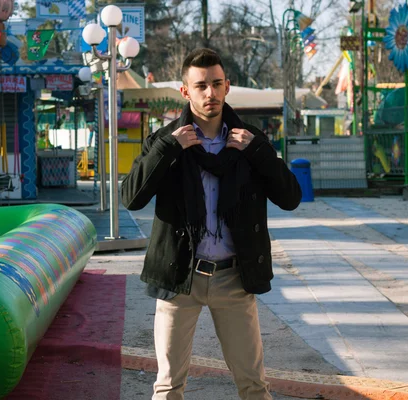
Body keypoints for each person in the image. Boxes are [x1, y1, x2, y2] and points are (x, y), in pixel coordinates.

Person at [121, 48, 302, 400]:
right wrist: (168, 150)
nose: (210, 93)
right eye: (201, 85)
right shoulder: (165, 140)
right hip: (179, 277)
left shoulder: (249, 141)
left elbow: (291, 197)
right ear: (185, 92)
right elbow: (131, 198)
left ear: (227, 86)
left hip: (233, 278)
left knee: (253, 385)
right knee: (168, 386)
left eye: (217, 84)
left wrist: (258, 153)